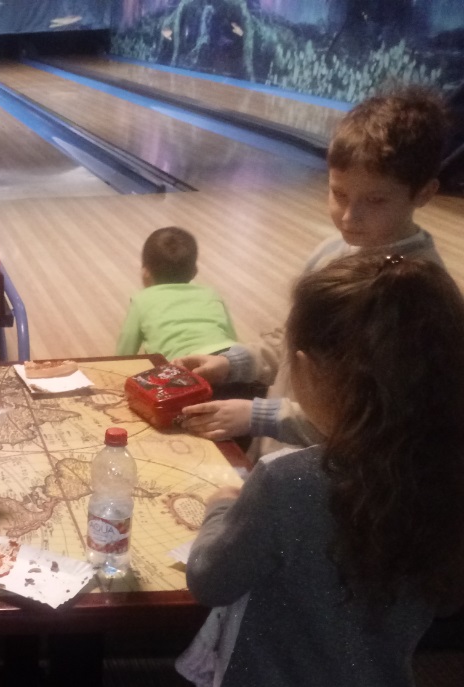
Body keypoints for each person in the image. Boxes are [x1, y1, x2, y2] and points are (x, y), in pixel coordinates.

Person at [131, 254, 464, 687]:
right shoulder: (445, 485)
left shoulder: (289, 485)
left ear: (308, 371)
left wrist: (223, 509)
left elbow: (209, 578)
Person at [177, 88, 448, 450]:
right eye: (339, 194)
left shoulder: (414, 294)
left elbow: (371, 420)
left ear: (424, 194)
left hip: (331, 474)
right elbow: (295, 339)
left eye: (375, 200)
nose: (349, 217)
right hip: (281, 453)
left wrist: (260, 416)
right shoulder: (333, 250)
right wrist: (232, 364)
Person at [114, 226, 238, 361]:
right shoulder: (211, 294)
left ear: (145, 272)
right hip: (226, 359)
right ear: (195, 272)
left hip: (183, 366)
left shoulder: (141, 300)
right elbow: (232, 337)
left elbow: (124, 354)